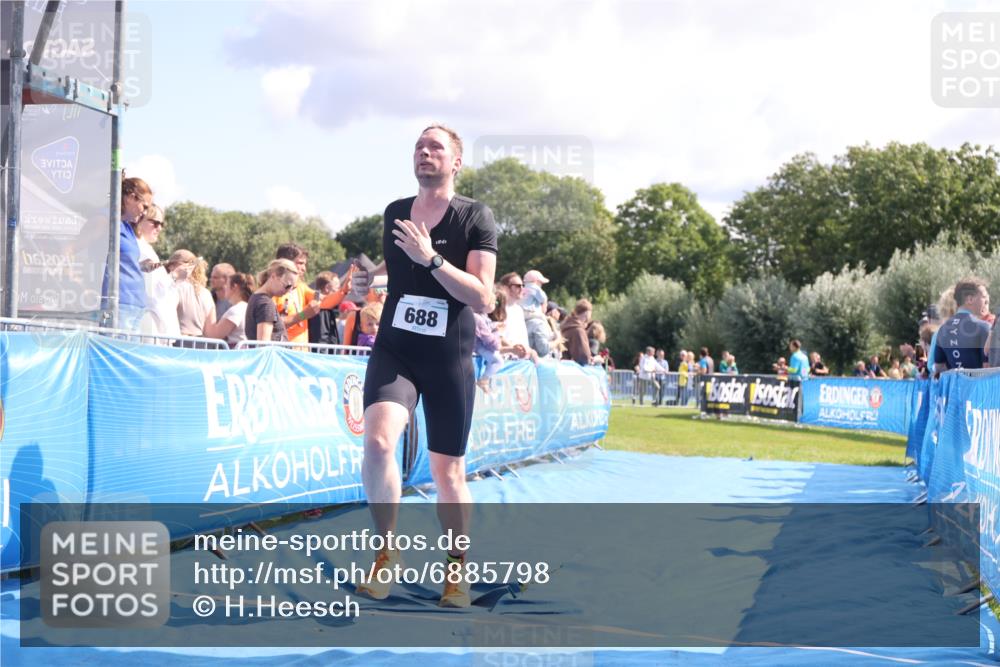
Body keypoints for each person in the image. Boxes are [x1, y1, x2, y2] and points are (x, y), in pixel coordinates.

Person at [356, 125, 497, 608]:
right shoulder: (396, 212)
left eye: (436, 147)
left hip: (448, 355)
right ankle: (386, 552)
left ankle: (456, 571)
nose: (425, 152)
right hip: (397, 348)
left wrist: (432, 258)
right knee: (377, 442)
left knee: (448, 474)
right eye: (419, 145)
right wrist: (364, 286)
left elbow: (483, 297)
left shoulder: (475, 217)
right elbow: (393, 273)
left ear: (455, 162)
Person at [102, 176, 151, 331]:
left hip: (134, 306)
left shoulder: (127, 227)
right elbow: (75, 249)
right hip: (118, 305)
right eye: (145, 206)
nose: (145, 213)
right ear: (130, 198)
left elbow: (122, 261)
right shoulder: (107, 220)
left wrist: (140, 266)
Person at [134, 204, 180, 338]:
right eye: (155, 223)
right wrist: (175, 276)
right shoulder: (140, 248)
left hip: (153, 328)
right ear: (139, 220)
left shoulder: (146, 248)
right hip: (148, 328)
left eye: (162, 224)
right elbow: (152, 291)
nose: (159, 228)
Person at [934, 278, 991, 373]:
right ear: (970, 299)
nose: (986, 302)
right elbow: (989, 368)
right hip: (978, 386)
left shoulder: (943, 329)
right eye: (983, 297)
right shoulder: (984, 328)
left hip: (956, 387)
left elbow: (939, 367)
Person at [246, 259, 299, 341]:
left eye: (293, 288)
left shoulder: (257, 297)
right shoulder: (265, 304)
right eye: (288, 286)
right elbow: (263, 344)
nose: (289, 291)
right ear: (274, 277)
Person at [168, 250, 217, 337]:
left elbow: (166, 316)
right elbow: (210, 332)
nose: (168, 269)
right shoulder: (206, 293)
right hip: (200, 345)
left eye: (170, 266)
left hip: (177, 343)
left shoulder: (175, 287)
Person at [203, 272, 255, 348]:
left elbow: (214, 335)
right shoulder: (246, 307)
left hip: (235, 354)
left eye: (226, 285)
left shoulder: (236, 310)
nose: (224, 288)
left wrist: (210, 307)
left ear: (234, 287)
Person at [498, 273, 530, 350]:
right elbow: (498, 337)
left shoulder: (519, 310)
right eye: (518, 286)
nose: (522, 289)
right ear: (505, 288)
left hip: (522, 358)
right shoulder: (498, 309)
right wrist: (515, 350)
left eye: (523, 286)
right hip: (506, 358)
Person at [559, 299, 594, 366]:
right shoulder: (578, 331)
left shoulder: (566, 326)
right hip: (576, 371)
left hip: (564, 368)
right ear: (586, 315)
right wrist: (594, 360)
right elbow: (584, 357)